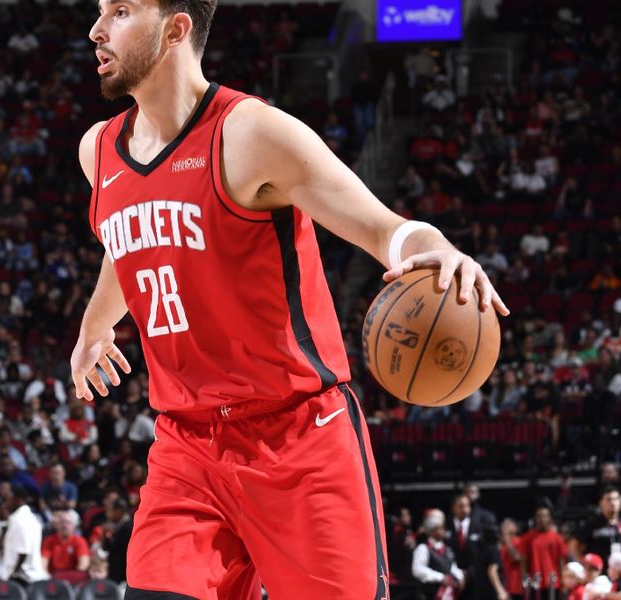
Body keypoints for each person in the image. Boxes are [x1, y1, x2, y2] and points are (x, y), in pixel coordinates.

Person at [70, 1, 508, 597]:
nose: (97, 30)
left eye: (121, 10)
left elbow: (382, 228)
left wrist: (440, 249)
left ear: (176, 28)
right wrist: (94, 327)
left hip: (300, 438)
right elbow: (129, 239)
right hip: (187, 446)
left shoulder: (251, 133)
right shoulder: (99, 149)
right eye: (100, 10)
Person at [0, 487, 48, 584]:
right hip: (29, 574)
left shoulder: (20, 519)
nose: (6, 503)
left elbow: (24, 551)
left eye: (8, 498)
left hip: (23, 577)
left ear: (18, 499)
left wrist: (13, 574)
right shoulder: (30, 518)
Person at [412, 509, 465, 599]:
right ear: (432, 531)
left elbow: (452, 566)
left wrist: (460, 576)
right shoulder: (423, 548)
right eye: (440, 528)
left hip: (448, 593)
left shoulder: (447, 549)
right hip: (429, 593)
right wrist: (440, 578)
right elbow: (417, 570)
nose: (443, 531)